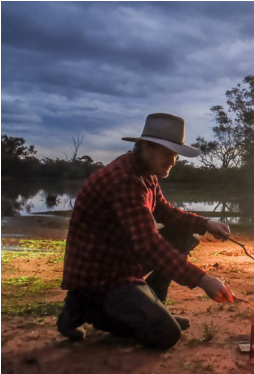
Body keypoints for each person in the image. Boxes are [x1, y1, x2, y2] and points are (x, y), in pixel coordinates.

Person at [57, 113, 235, 349]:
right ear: (146, 147)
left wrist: (206, 224)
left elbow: (165, 212)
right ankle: (86, 305)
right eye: (167, 153)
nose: (172, 161)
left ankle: (151, 307)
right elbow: (148, 245)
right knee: (166, 335)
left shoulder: (146, 174)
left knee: (182, 235)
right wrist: (204, 280)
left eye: (175, 155)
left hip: (121, 260)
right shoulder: (125, 180)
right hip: (101, 276)